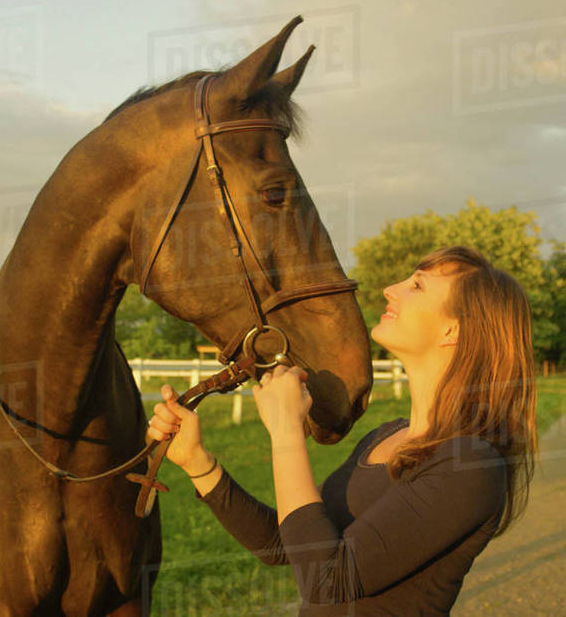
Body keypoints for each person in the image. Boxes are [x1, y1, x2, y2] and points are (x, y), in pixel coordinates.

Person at [146, 245, 538, 615]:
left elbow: (327, 579)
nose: (390, 289)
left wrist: (286, 434)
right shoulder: (386, 435)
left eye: (416, 285)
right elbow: (287, 544)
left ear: (453, 331)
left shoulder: (469, 464)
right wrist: (198, 463)